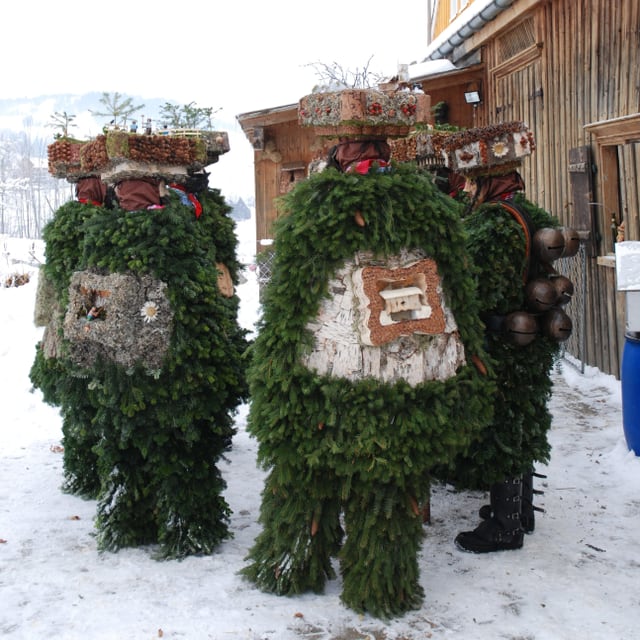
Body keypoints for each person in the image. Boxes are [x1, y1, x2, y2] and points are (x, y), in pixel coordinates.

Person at [423, 122, 576, 553]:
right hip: (531, 338)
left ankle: (506, 526)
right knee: (524, 419)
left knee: (503, 425)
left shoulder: (494, 223)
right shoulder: (531, 212)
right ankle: (520, 510)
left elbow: (478, 287)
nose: (468, 189)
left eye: (472, 181)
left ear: (485, 178)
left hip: (502, 340)